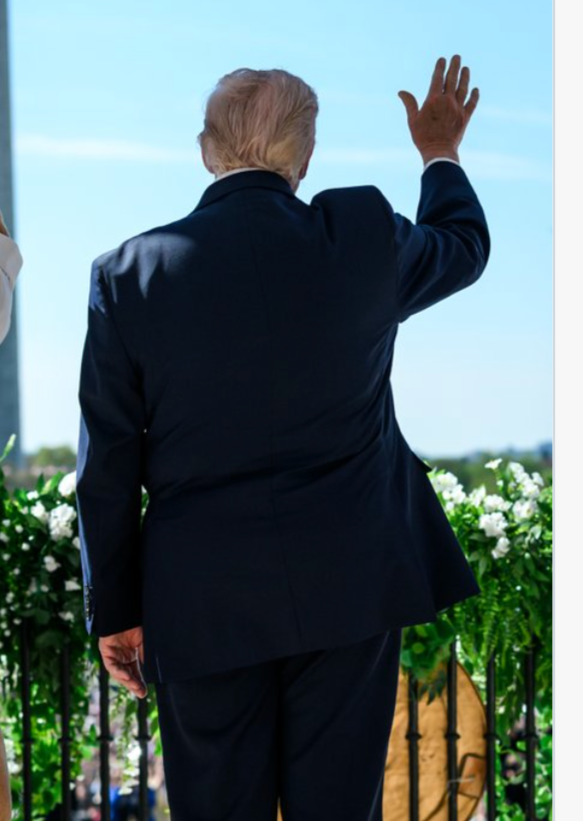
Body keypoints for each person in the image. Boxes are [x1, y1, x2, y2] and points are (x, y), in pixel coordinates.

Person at [75, 56, 488, 820]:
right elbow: (462, 246)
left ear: (206, 151)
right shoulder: (360, 236)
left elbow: (107, 467)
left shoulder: (127, 276)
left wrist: (116, 610)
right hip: (349, 587)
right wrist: (439, 152)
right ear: (305, 157)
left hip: (200, 603)